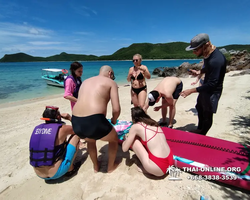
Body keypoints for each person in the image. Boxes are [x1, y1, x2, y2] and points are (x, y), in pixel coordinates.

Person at [71, 65, 121, 173]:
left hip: (76, 121)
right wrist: (114, 120)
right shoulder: (110, 83)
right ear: (109, 73)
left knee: (90, 140)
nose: (112, 79)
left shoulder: (85, 82)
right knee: (114, 139)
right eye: (113, 76)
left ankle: (96, 167)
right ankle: (110, 167)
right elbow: (116, 109)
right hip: (94, 120)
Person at [180, 33, 227, 135]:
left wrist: (191, 91)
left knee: (207, 113)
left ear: (205, 45)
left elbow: (212, 84)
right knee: (199, 107)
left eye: (196, 50)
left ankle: (202, 133)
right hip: (206, 88)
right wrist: (199, 72)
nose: (194, 52)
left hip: (212, 91)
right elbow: (207, 68)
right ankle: (200, 129)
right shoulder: (208, 54)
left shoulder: (217, 60)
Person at [29, 106, 80, 180]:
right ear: (58, 116)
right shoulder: (62, 128)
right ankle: (70, 169)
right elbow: (79, 129)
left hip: (39, 174)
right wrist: (69, 117)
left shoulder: (37, 128)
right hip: (57, 173)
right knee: (76, 135)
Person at [122, 107, 174, 177]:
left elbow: (124, 149)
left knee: (133, 141)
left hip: (158, 168)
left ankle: (148, 169)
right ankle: (151, 166)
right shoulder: (154, 123)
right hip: (170, 161)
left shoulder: (136, 127)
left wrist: (126, 140)